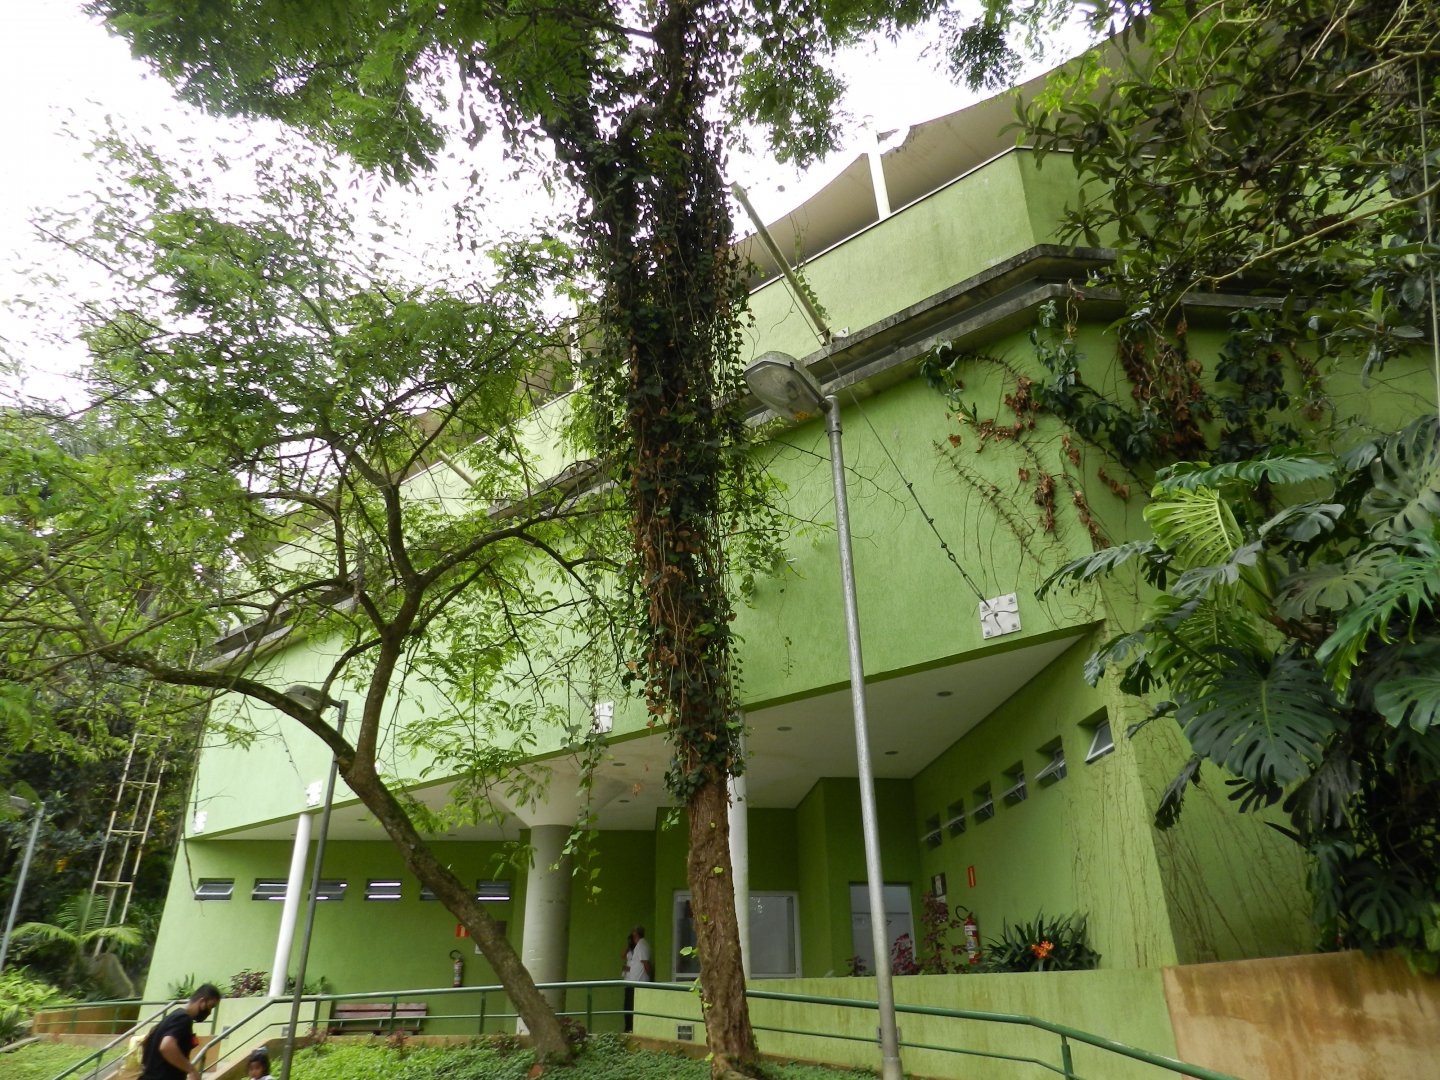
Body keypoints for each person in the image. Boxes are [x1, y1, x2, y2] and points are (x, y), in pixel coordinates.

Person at [139, 984, 222, 1080]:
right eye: (210, 1006)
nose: (210, 1012)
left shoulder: (174, 1016)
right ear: (202, 1001)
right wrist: (191, 1070)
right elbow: (166, 1046)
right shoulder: (183, 1018)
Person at [622, 924, 653, 1033]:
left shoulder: (641, 945)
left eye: (633, 932)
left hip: (637, 982)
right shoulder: (639, 945)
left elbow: (646, 964)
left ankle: (629, 1028)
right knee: (628, 1006)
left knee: (630, 1006)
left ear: (636, 934)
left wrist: (650, 978)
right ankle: (629, 1028)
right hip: (633, 981)